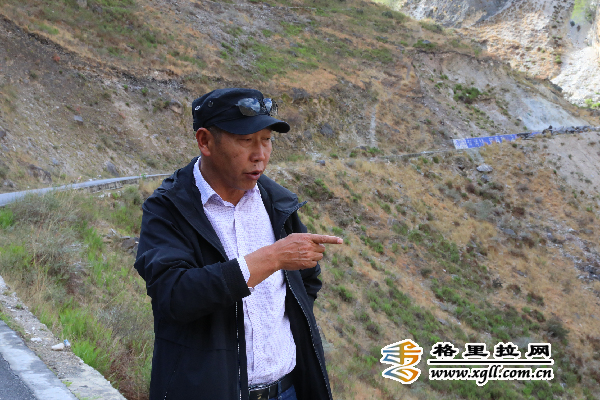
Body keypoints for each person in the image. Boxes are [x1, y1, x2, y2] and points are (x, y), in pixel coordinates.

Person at [134, 88, 342, 400]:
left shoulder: (277, 202)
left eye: (266, 140)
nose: (260, 154)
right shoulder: (168, 209)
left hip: (288, 390)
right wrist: (271, 259)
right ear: (205, 141)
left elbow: (306, 281)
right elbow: (173, 295)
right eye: (246, 140)